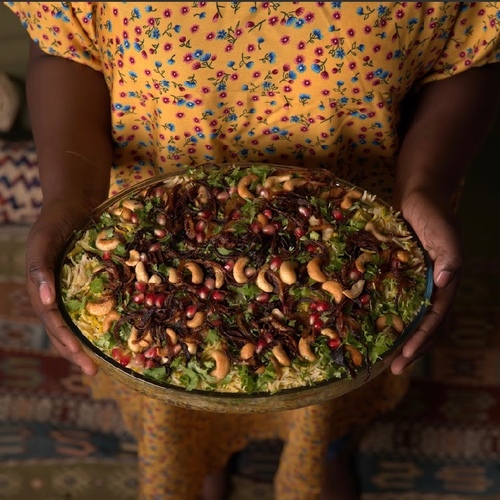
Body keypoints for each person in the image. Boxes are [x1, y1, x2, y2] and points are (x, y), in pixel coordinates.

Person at [6, 2, 500, 499]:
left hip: (363, 229)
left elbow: (470, 53)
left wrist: (426, 185)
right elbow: (62, 45)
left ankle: (323, 448)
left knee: (333, 375)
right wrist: (69, 197)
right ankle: (202, 453)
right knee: (176, 386)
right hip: (150, 224)